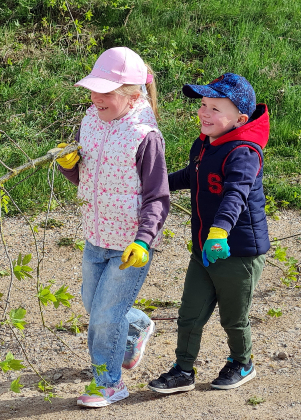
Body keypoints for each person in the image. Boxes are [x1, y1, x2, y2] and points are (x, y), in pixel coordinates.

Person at [54, 47, 169, 408]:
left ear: (132, 95)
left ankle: (109, 383)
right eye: (93, 89)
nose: (95, 98)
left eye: (105, 92)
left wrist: (144, 240)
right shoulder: (91, 119)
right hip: (96, 234)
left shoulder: (145, 136)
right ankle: (136, 327)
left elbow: (157, 197)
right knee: (94, 304)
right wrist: (70, 166)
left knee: (104, 317)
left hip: (129, 245)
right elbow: (87, 180)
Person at [148, 73, 270, 394]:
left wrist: (220, 232)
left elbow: (236, 194)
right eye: (203, 104)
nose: (205, 112)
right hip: (204, 248)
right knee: (189, 313)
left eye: (216, 108)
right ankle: (183, 371)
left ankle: (242, 362)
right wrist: (155, 184)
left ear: (240, 119)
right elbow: (192, 175)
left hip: (237, 250)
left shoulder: (244, 152)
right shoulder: (205, 144)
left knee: (233, 317)